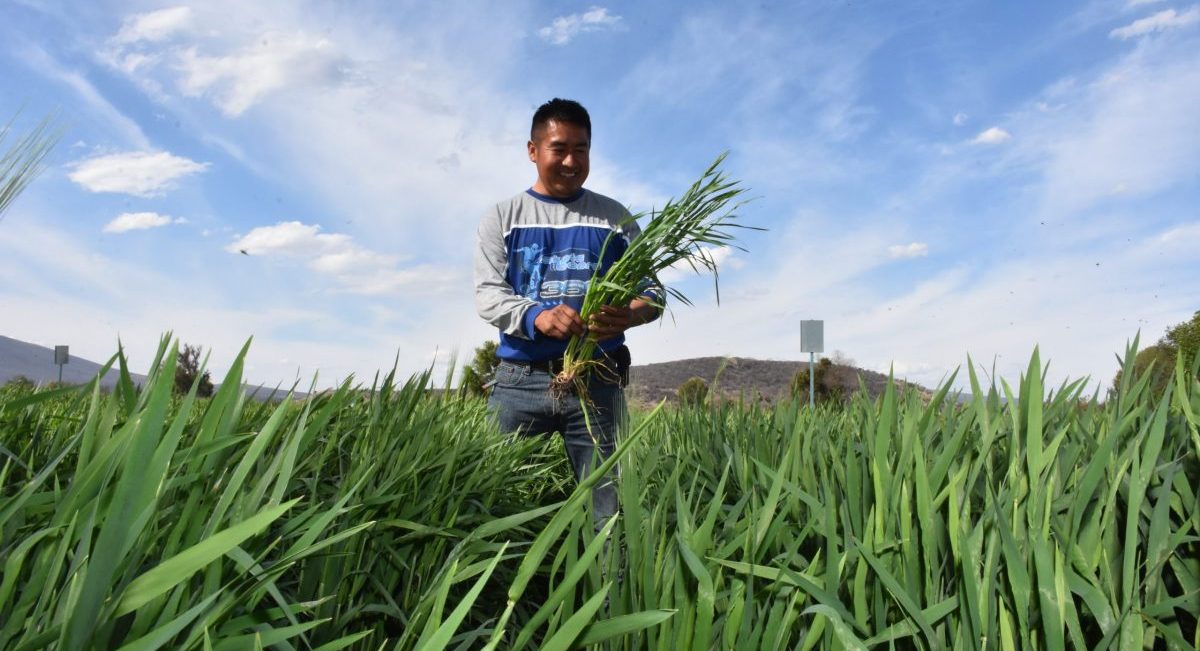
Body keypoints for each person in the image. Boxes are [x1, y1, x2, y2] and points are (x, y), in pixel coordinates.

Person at [474, 98, 660, 525]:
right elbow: (488, 294)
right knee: (491, 500)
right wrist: (536, 316)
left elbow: (652, 291)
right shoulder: (503, 217)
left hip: (598, 379)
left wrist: (630, 314)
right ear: (533, 150)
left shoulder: (615, 219)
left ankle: (609, 590)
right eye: (559, 148)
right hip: (519, 383)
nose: (571, 160)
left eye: (582, 148)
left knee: (608, 512)